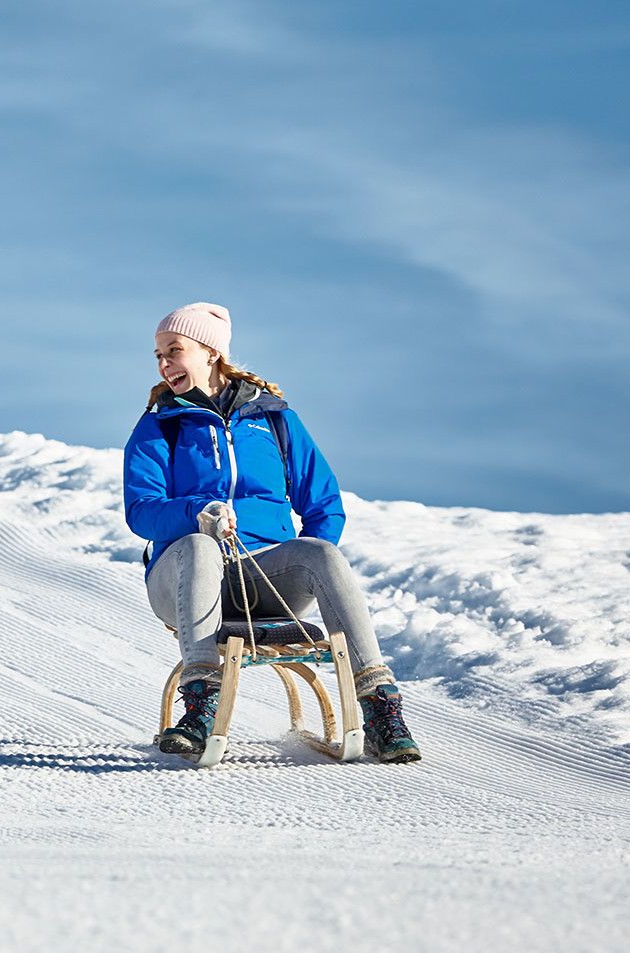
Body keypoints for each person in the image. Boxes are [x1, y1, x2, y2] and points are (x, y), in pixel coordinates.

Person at [122, 302, 421, 762]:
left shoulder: (275, 420)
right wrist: (197, 513)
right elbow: (141, 511)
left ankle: (380, 707)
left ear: (210, 351)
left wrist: (307, 561)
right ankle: (202, 704)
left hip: (263, 578)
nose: (163, 363)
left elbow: (323, 504)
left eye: (173, 350)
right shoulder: (161, 424)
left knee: (320, 552)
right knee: (201, 547)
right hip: (181, 578)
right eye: (158, 354)